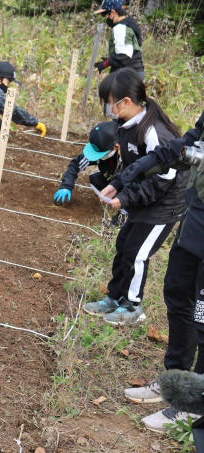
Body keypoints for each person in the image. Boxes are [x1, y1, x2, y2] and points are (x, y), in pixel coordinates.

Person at [118, 110, 203, 432]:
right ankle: (175, 381)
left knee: (203, 310)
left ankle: (196, 403)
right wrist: (148, 163)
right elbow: (189, 142)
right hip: (197, 212)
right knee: (178, 295)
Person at [83, 68, 187, 328]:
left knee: (137, 253)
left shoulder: (154, 132)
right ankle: (115, 297)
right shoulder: (125, 126)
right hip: (144, 200)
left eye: (109, 104)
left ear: (125, 102)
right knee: (124, 245)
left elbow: (165, 178)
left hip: (164, 206)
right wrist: (117, 185)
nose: (109, 110)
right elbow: (134, 166)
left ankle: (133, 306)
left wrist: (127, 197)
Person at [93, 0, 145, 80]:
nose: (105, 17)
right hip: (136, 72)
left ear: (113, 12)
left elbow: (124, 56)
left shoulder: (120, 28)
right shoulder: (130, 23)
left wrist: (107, 63)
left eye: (105, 14)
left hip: (127, 75)